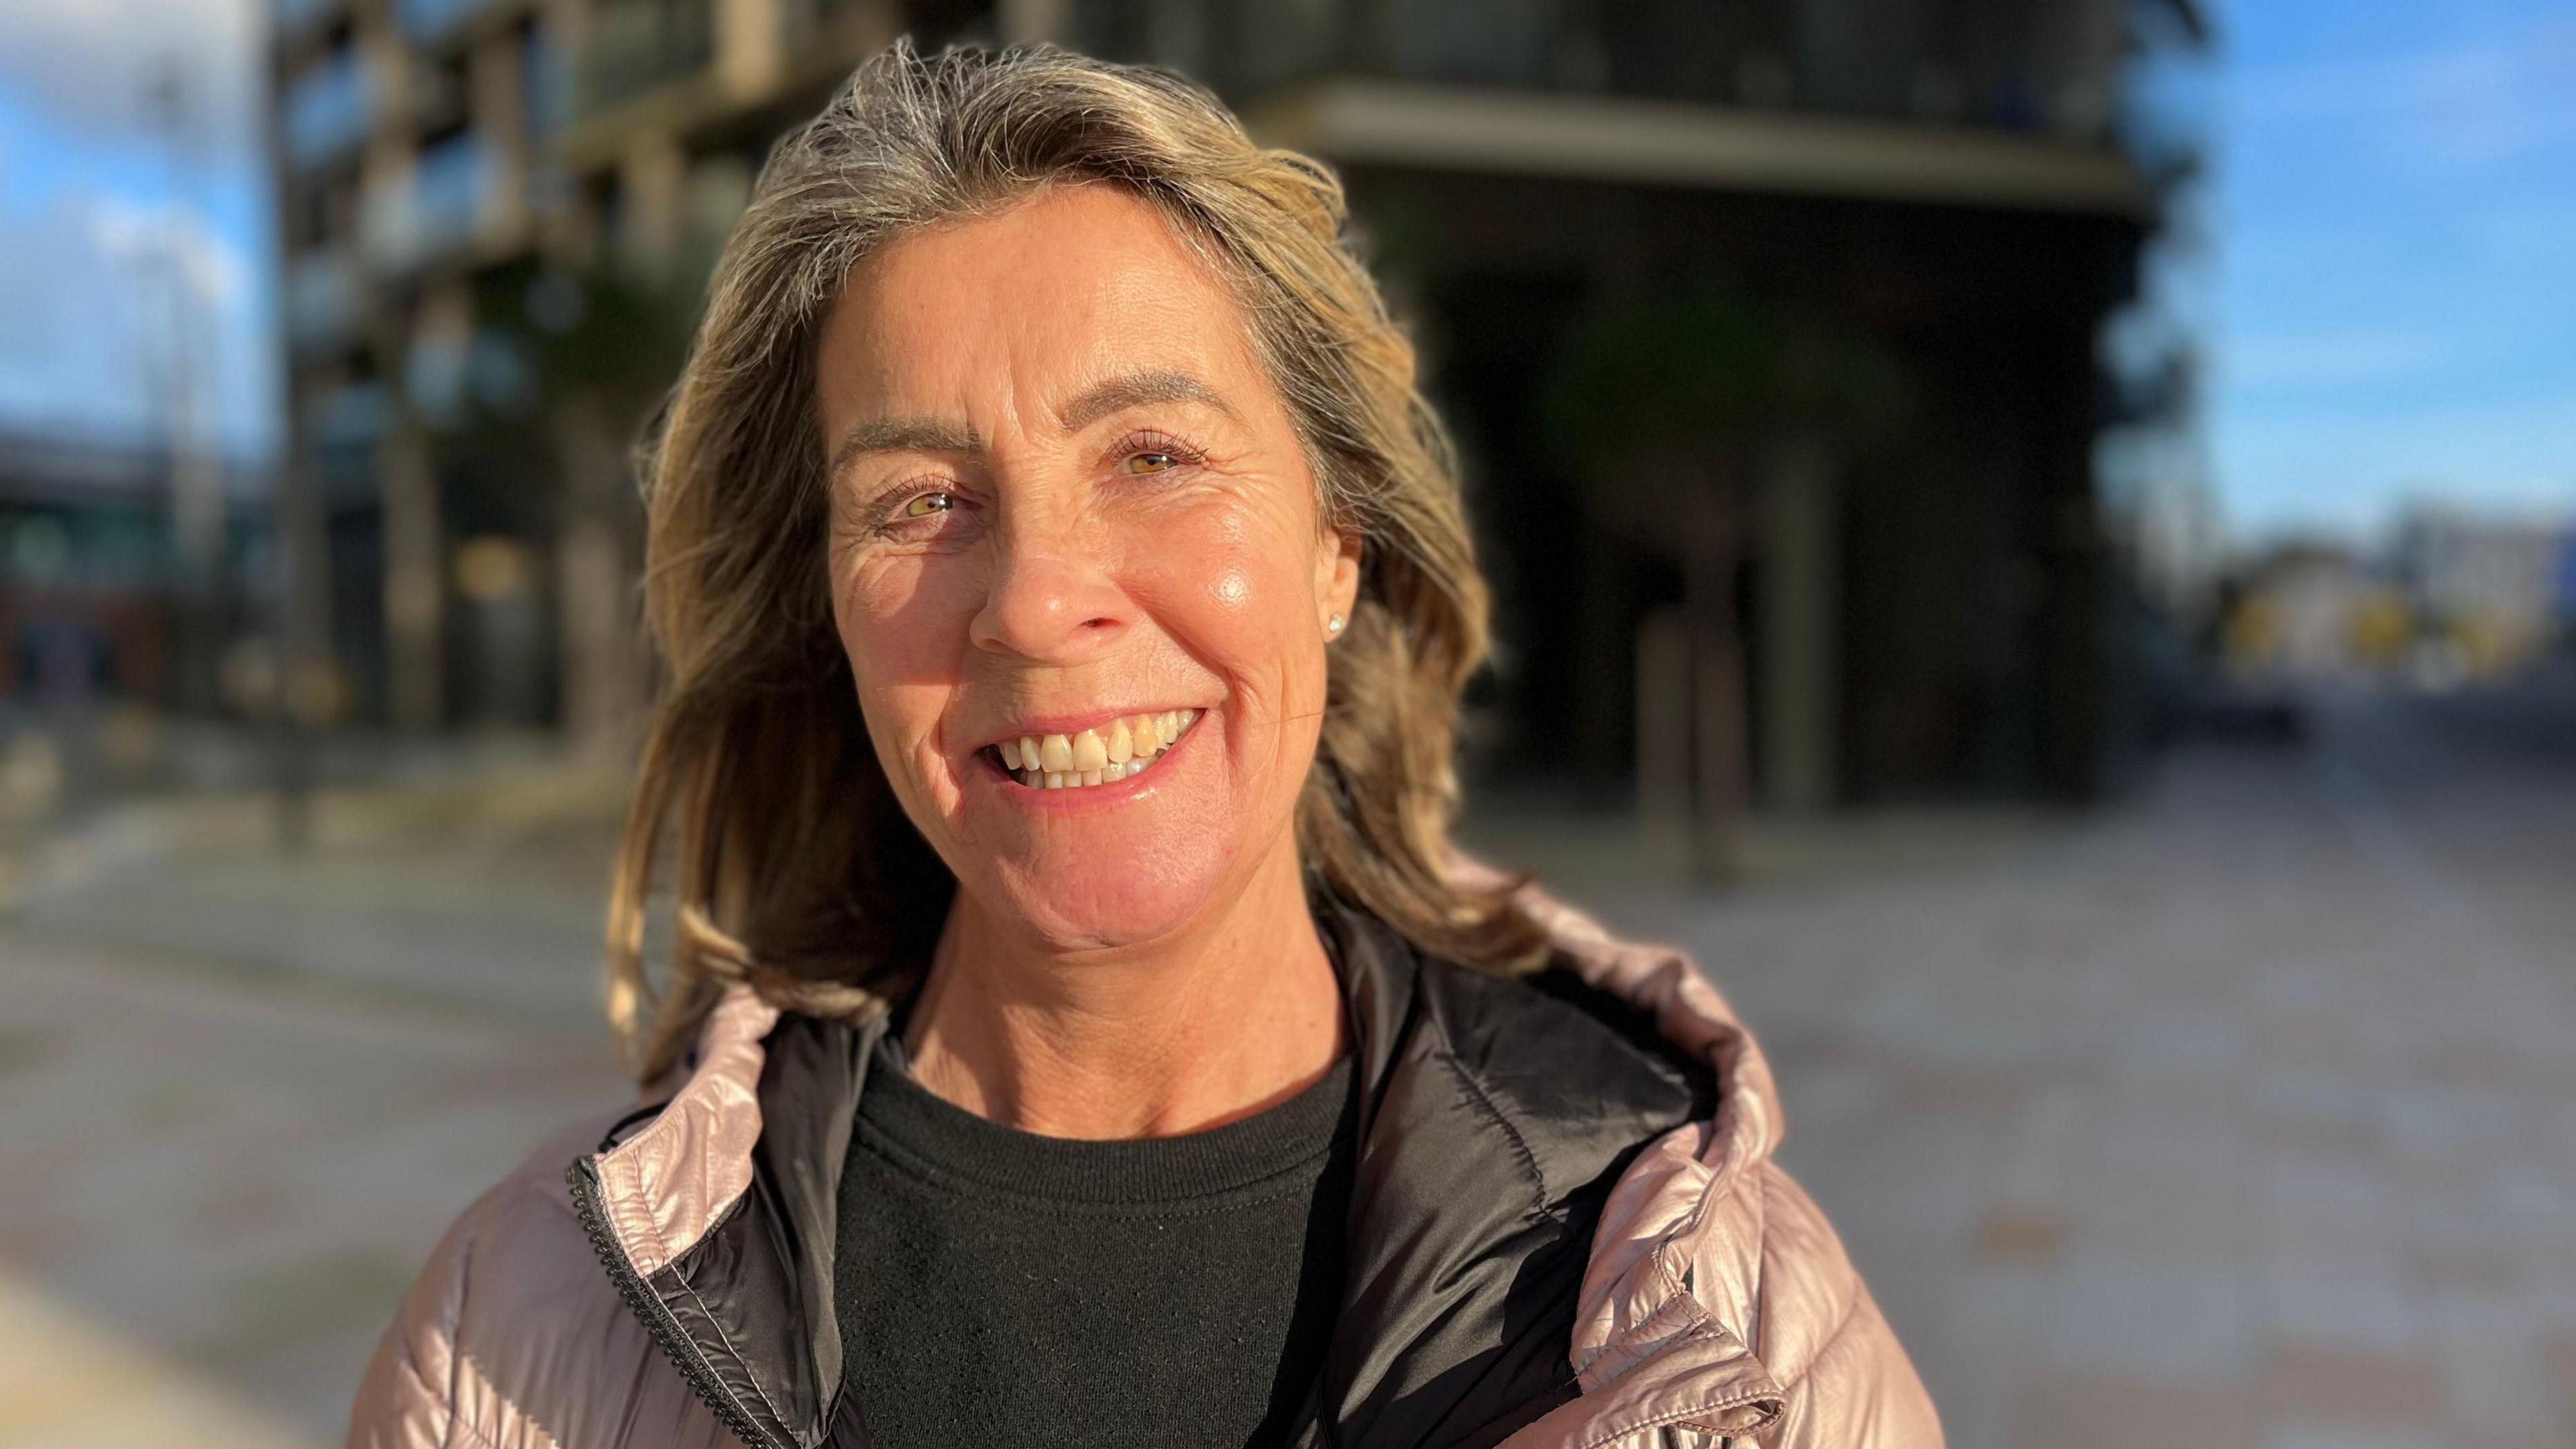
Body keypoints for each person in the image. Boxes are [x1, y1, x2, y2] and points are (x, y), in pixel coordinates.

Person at [347, 40, 1939, 1449]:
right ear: (824, 613)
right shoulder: (525, 1335)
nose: (1034, 603)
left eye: (1156, 454)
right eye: (918, 501)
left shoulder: (1732, 1345)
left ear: (1340, 547)